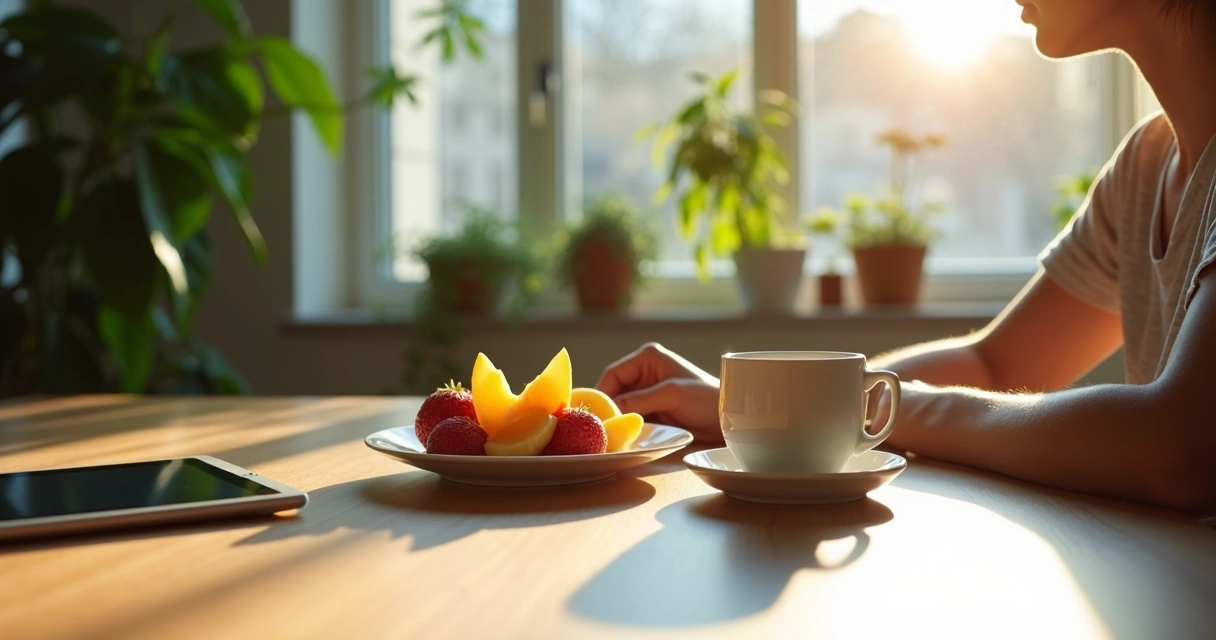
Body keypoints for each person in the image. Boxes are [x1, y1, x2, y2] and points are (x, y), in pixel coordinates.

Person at [595, 0, 1216, 515]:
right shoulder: (1146, 164)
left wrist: (881, 410)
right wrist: (769, 407)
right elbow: (993, 364)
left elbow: (1180, 448)